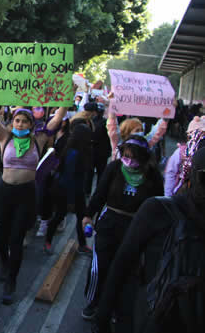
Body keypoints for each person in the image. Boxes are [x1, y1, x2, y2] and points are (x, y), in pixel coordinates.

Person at [93, 147, 205, 333]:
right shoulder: (159, 211)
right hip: (153, 320)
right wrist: (102, 317)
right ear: (192, 176)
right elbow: (122, 264)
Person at [0, 103, 67, 305]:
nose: (20, 124)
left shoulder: (38, 139)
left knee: (16, 239)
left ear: (31, 124)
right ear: (13, 122)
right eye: (17, 120)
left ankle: (11, 282)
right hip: (5, 193)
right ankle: (4, 264)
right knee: (2, 238)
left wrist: (66, 98)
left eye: (25, 121)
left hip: (27, 194)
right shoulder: (5, 137)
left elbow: (56, 120)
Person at [81, 135, 164, 321]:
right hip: (109, 223)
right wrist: (88, 215)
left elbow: (158, 204)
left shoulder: (153, 175)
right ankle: (94, 301)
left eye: (134, 157)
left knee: (124, 271)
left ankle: (114, 305)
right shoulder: (114, 168)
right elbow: (100, 193)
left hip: (134, 228)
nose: (129, 161)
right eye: (126, 156)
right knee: (99, 267)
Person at [43, 123, 93, 254]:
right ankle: (48, 240)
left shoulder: (76, 150)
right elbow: (69, 177)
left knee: (80, 217)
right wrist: (71, 200)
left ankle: (82, 244)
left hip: (76, 190)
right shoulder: (74, 153)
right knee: (60, 215)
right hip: (66, 190)